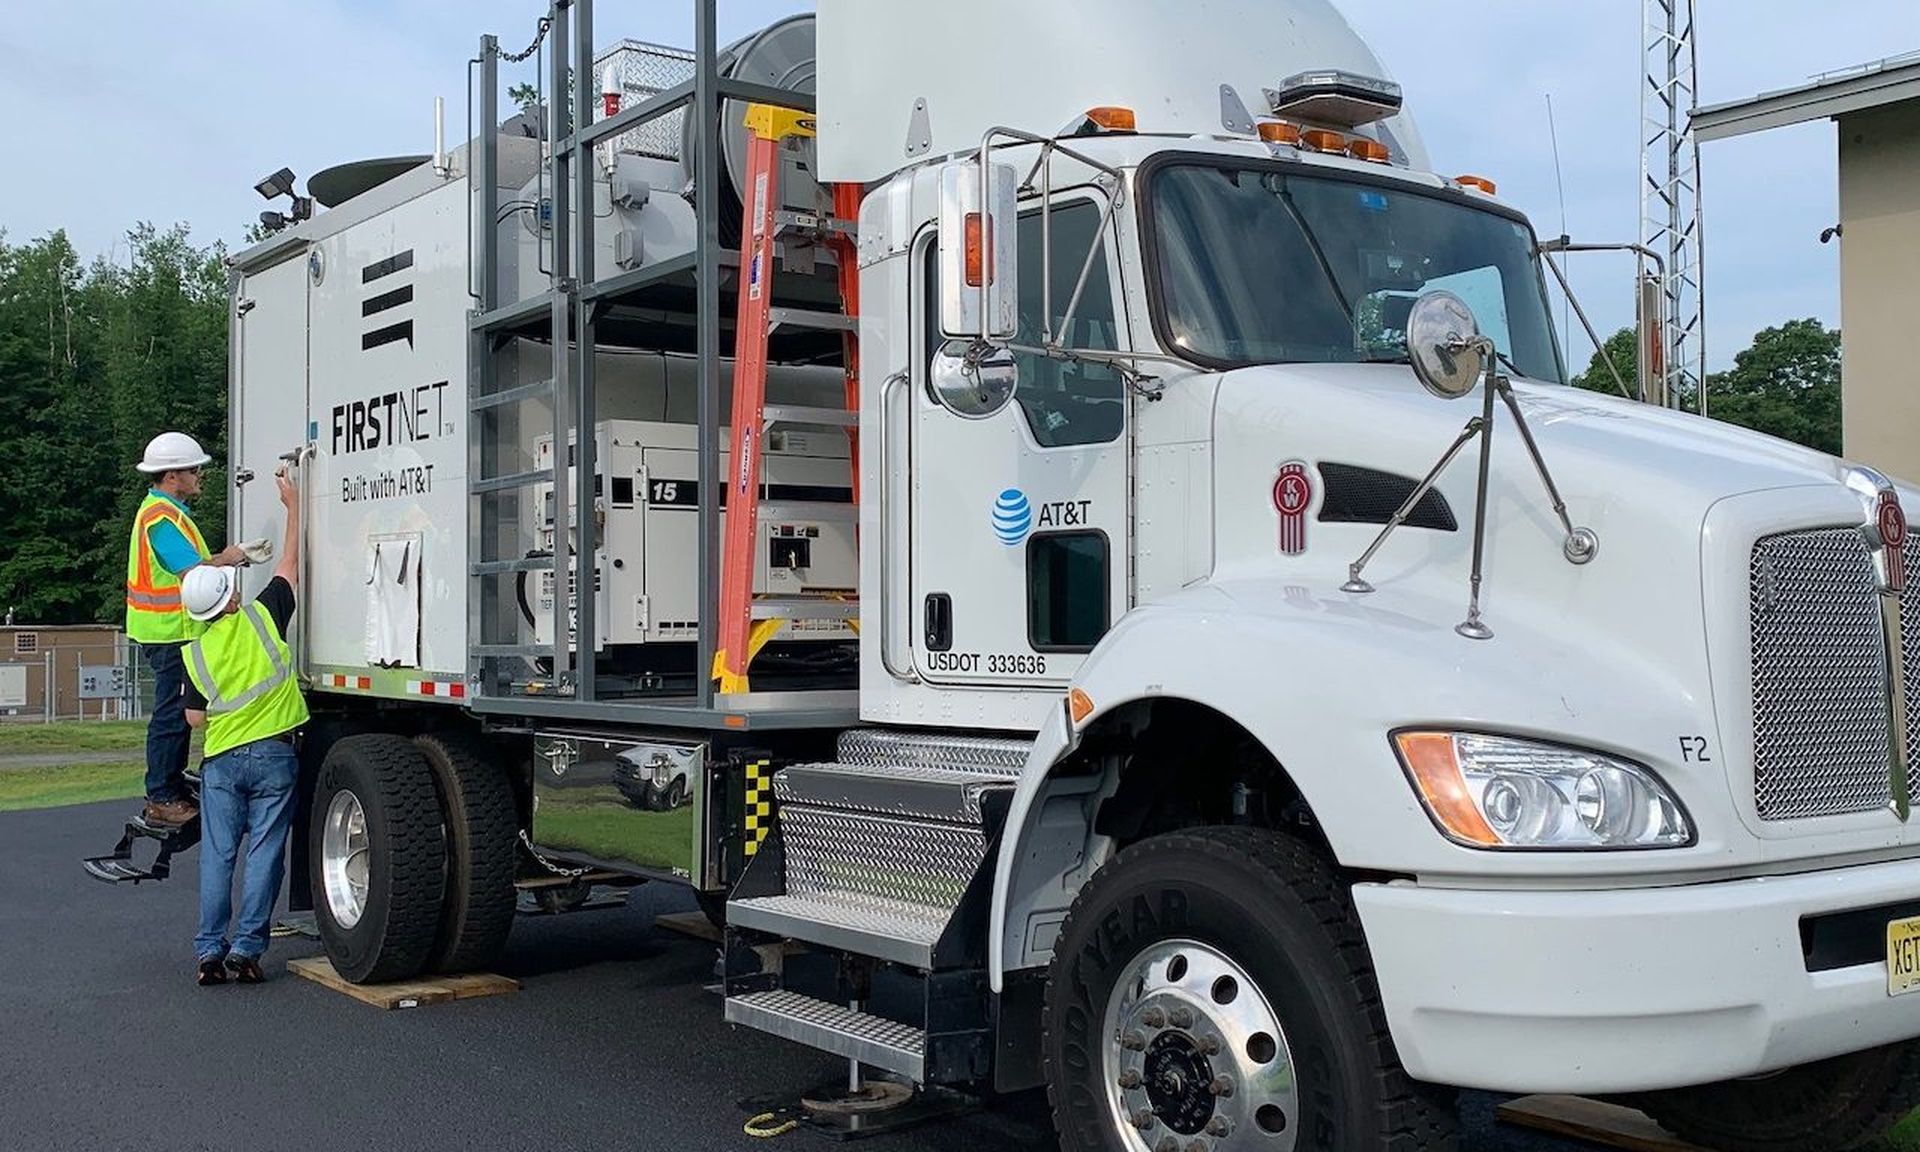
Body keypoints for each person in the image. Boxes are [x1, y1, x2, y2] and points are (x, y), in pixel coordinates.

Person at [179, 467, 305, 986]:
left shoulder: (196, 652)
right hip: (276, 753)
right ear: (230, 596)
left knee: (219, 856)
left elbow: (194, 717)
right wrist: (294, 506)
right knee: (265, 852)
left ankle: (209, 953)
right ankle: (248, 951)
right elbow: (290, 564)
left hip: (222, 762)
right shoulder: (262, 615)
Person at [126, 431, 249, 828]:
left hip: (170, 630)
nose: (199, 476)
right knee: (171, 716)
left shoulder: (167, 512)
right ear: (172, 475)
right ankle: (162, 795)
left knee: (177, 713)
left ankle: (171, 786)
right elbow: (190, 572)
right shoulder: (160, 517)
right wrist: (229, 558)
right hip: (168, 632)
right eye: (194, 469)